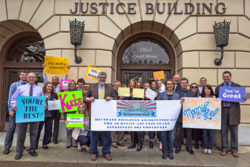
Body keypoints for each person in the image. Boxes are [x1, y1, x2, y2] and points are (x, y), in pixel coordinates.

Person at [11, 72, 45, 160]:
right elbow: (13, 99)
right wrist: (14, 105)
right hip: (22, 114)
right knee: (21, 133)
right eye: (29, 77)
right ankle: (19, 151)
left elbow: (42, 100)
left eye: (33, 77)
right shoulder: (20, 88)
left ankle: (32, 149)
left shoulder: (39, 89)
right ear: (27, 78)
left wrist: (44, 105)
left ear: (36, 79)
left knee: (34, 133)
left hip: (35, 115)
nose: (31, 78)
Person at [215, 71, 247, 158]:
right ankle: (224, 148)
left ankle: (234, 150)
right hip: (223, 111)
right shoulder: (219, 88)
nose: (226, 78)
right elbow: (216, 99)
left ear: (230, 77)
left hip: (234, 111)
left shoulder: (237, 86)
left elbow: (243, 98)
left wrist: (244, 98)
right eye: (224, 77)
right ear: (222, 78)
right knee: (224, 131)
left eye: (227, 76)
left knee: (234, 131)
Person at [87, 71, 117, 161]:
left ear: (106, 78)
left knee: (106, 134)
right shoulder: (92, 87)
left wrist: (111, 98)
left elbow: (116, 98)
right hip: (94, 115)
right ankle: (93, 152)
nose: (102, 78)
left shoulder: (110, 88)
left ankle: (106, 152)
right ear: (98, 78)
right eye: (100, 77)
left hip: (106, 115)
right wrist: (89, 98)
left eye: (104, 77)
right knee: (94, 134)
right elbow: (84, 96)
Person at [42, 63, 70, 144]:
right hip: (49, 107)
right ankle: (48, 138)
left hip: (58, 107)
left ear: (58, 81)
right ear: (52, 80)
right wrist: (44, 69)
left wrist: (67, 69)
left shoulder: (62, 86)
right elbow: (44, 77)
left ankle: (55, 139)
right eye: (53, 79)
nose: (55, 81)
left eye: (56, 79)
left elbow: (65, 78)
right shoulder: (48, 85)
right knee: (49, 124)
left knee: (56, 124)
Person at [3, 71, 27, 155]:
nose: (24, 76)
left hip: (24, 111)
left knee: (22, 130)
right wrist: (10, 109)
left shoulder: (29, 86)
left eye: (26, 75)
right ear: (19, 76)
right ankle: (7, 147)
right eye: (23, 75)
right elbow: (10, 97)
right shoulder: (14, 85)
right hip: (15, 110)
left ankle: (21, 145)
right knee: (11, 128)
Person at [157, 79, 181, 160]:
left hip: (172, 120)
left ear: (173, 85)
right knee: (164, 136)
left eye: (171, 84)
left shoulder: (177, 95)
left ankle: (170, 153)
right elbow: (158, 105)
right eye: (168, 84)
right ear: (166, 85)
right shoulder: (161, 94)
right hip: (164, 119)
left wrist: (182, 102)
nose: (170, 85)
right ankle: (164, 152)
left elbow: (179, 106)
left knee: (171, 137)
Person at [175, 78, 196, 155]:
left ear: (187, 84)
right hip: (179, 115)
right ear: (180, 84)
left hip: (189, 116)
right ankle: (178, 146)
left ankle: (189, 147)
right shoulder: (176, 93)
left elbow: (195, 104)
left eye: (185, 83)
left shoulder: (192, 93)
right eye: (182, 83)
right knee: (178, 133)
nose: (184, 84)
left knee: (189, 133)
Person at [36, 82, 58, 150]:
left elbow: (57, 105)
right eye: (48, 86)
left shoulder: (54, 94)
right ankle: (35, 144)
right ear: (45, 86)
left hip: (50, 115)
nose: (50, 88)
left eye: (51, 87)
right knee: (38, 130)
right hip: (40, 115)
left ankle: (45, 143)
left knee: (48, 130)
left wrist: (56, 101)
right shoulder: (40, 93)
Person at [124, 79, 144, 152]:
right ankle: (133, 143)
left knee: (138, 129)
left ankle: (140, 143)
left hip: (138, 111)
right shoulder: (126, 91)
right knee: (132, 128)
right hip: (130, 112)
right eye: (130, 83)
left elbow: (140, 101)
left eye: (133, 83)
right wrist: (129, 96)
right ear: (129, 84)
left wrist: (134, 96)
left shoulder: (138, 91)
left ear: (135, 84)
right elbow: (125, 101)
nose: (132, 84)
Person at [200, 85, 215, 154]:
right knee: (204, 133)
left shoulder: (214, 98)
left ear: (210, 90)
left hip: (211, 119)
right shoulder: (201, 98)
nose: (207, 90)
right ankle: (205, 147)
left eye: (209, 89)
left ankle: (210, 147)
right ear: (204, 90)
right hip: (203, 119)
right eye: (205, 89)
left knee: (211, 133)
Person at [111, 80, 125, 148]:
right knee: (113, 126)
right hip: (113, 110)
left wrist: (123, 98)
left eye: (119, 85)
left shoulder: (123, 91)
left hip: (121, 110)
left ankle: (120, 140)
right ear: (114, 85)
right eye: (116, 85)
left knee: (121, 126)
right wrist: (119, 99)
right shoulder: (111, 91)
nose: (118, 86)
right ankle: (113, 141)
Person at [64, 80, 78, 148]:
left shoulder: (77, 93)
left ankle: (74, 142)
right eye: (70, 85)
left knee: (75, 127)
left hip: (75, 112)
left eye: (73, 84)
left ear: (75, 86)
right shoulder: (65, 92)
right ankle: (68, 142)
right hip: (67, 112)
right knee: (68, 128)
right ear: (68, 86)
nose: (72, 86)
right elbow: (62, 102)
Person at [189, 83, 203, 149]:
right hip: (190, 114)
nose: (194, 88)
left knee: (197, 129)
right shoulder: (188, 96)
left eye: (195, 87)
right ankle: (191, 143)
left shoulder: (199, 96)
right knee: (190, 130)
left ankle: (196, 143)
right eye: (192, 87)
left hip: (197, 115)